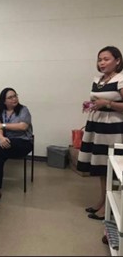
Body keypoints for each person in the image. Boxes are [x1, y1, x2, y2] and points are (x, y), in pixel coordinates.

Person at [77, 46, 123, 220]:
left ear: (117, 60)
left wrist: (108, 104)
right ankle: (102, 201)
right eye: (99, 59)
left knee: (111, 167)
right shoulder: (98, 80)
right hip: (97, 126)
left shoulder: (120, 79)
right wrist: (90, 105)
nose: (102, 63)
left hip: (113, 129)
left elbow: (111, 103)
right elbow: (97, 101)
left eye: (106, 59)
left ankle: (110, 206)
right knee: (101, 167)